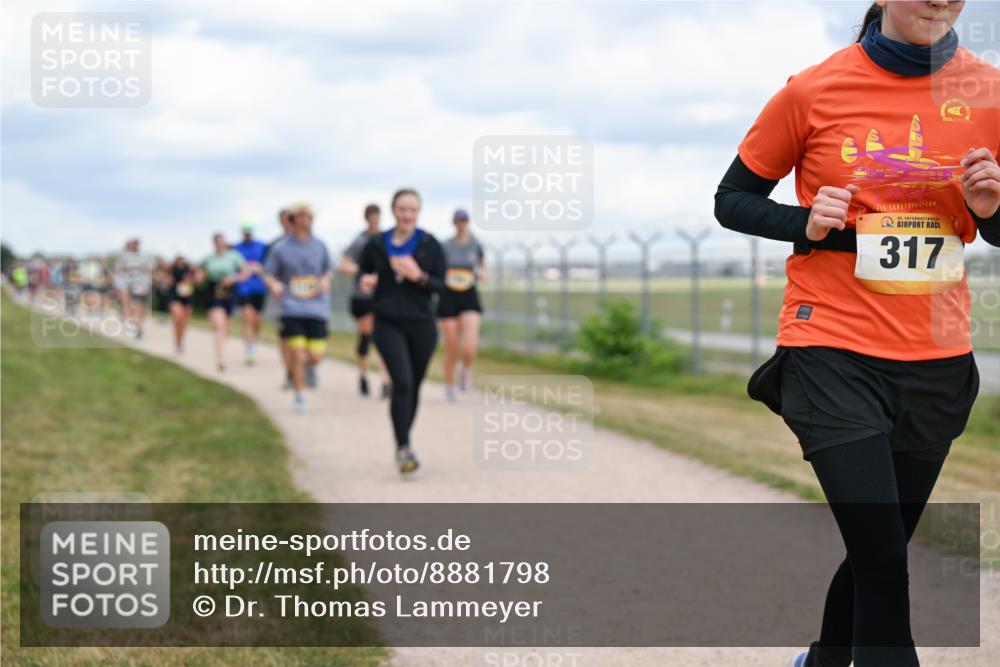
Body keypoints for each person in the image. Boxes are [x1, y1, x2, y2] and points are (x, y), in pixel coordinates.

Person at [714, 2, 1000, 666]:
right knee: (884, 561)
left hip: (936, 357)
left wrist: (992, 210)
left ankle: (821, 660)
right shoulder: (811, 89)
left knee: (884, 547)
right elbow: (732, 198)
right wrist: (805, 221)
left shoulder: (988, 92)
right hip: (831, 347)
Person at [358, 188, 447, 474]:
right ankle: (404, 447)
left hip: (421, 322)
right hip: (387, 321)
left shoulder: (430, 244)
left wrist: (418, 276)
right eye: (402, 209)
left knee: (415, 385)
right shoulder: (376, 244)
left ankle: (403, 440)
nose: (407, 214)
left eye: (413, 210)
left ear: (418, 212)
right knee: (403, 382)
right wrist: (366, 280)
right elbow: (363, 271)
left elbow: (441, 285)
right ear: (393, 210)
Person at [264, 203, 333, 414]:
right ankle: (299, 394)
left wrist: (325, 280)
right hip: (292, 308)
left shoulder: (320, 245)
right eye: (301, 217)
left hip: (317, 308)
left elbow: (328, 270)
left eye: (309, 217)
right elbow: (268, 274)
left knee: (315, 357)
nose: (305, 221)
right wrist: (274, 284)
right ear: (292, 220)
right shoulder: (281, 248)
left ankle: (307, 369)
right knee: (296, 351)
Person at [338, 203, 391, 397]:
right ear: (366, 218)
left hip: (384, 297)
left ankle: (386, 381)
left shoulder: (387, 240)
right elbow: (343, 265)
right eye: (372, 217)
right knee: (367, 337)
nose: (375, 220)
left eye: (377, 216)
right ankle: (363, 374)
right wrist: (362, 273)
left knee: (384, 338)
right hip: (363, 297)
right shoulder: (360, 241)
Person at [437, 208, 485, 401]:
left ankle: (464, 369)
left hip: (468, 294)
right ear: (454, 223)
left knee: (469, 346)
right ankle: (449, 384)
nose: (462, 224)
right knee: (452, 346)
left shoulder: (475, 244)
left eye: (464, 220)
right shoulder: (445, 246)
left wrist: (481, 274)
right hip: (449, 295)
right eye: (459, 221)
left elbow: (482, 265)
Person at [197, 233, 246, 371]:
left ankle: (222, 350)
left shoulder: (233, 256)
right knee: (219, 325)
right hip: (213, 292)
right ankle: (220, 358)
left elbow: (244, 272)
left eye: (221, 241)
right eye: (216, 241)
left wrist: (234, 278)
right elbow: (200, 273)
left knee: (225, 325)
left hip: (229, 291)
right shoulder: (208, 258)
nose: (219, 244)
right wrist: (199, 278)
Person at [265, 207, 296, 390]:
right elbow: (267, 272)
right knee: (284, 338)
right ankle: (289, 373)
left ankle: (303, 366)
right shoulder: (275, 245)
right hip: (283, 300)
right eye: (285, 220)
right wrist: (273, 284)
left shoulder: (309, 243)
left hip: (305, 301)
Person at [233, 222, 269, 366]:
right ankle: (249, 350)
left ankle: (253, 343)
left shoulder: (262, 246)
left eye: (249, 232)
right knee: (248, 319)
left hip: (259, 288)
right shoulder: (236, 248)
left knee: (257, 321)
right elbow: (234, 267)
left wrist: (260, 268)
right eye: (245, 232)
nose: (247, 234)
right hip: (244, 288)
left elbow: (269, 264)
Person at [115, 238, 155, 338]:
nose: (136, 246)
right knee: (135, 305)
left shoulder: (145, 256)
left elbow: (150, 270)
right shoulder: (124, 257)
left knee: (142, 307)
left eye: (137, 244)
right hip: (132, 284)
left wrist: (150, 280)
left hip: (144, 285)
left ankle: (138, 325)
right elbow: (119, 270)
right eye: (134, 244)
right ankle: (135, 327)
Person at [167, 256, 196, 353]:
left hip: (187, 298)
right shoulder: (172, 269)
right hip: (175, 297)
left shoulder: (189, 269)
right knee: (177, 317)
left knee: (183, 322)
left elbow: (194, 281)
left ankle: (180, 343)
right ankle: (177, 342)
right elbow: (168, 280)